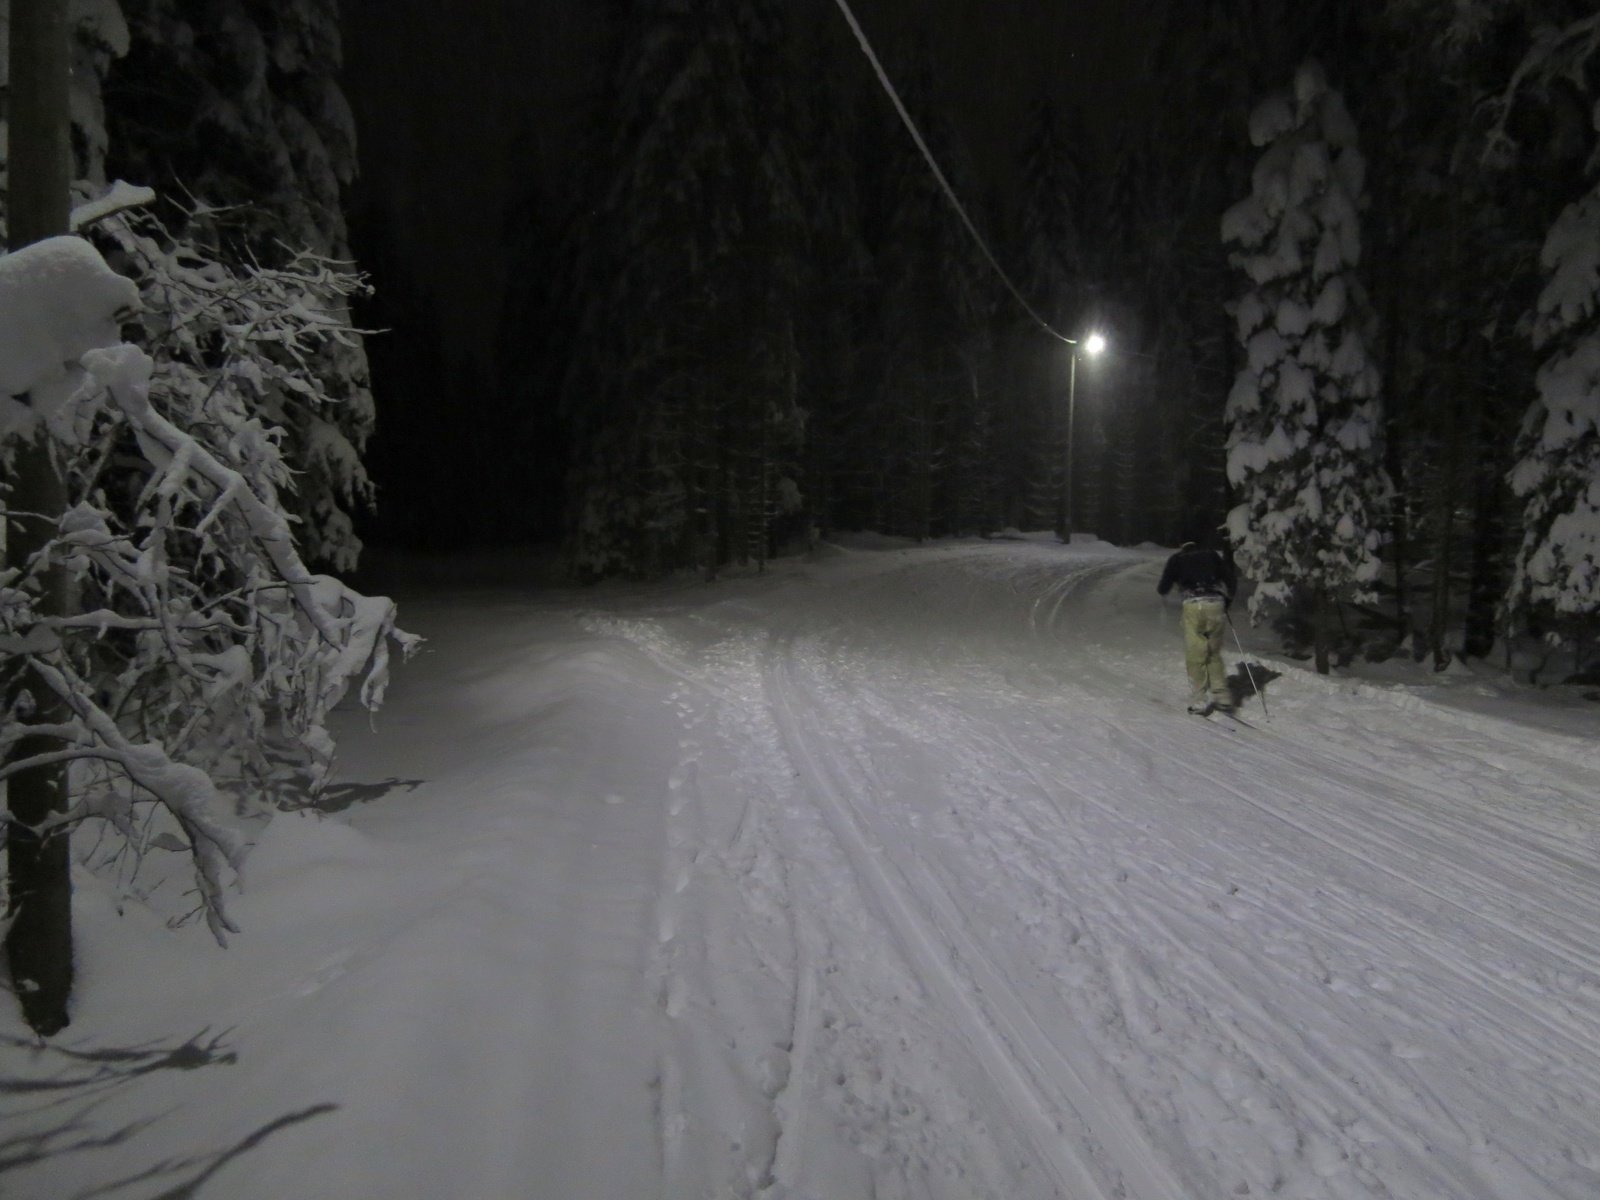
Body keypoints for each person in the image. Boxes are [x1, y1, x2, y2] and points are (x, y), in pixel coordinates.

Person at [1157, 534, 1239, 714]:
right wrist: (1227, 601)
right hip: (1216, 605)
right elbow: (1230, 579)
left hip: (1193, 606)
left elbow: (1163, 587)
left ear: (1182, 545)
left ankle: (1199, 697)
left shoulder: (1177, 559)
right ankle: (1221, 694)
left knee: (1195, 652)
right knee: (1213, 651)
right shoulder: (1212, 555)